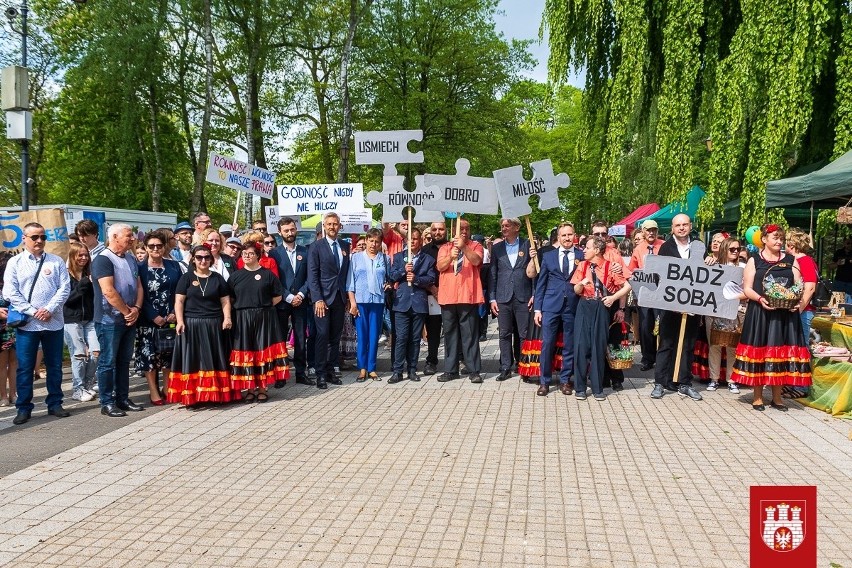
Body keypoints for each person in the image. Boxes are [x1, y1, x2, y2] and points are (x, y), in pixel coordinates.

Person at [731, 224, 812, 410]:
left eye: (781, 238)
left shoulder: (791, 260)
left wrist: (796, 302)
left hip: (784, 314)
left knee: (780, 354)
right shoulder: (754, 261)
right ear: (764, 239)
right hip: (760, 312)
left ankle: (777, 398)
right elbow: (747, 288)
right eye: (775, 237)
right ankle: (758, 397)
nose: (779, 241)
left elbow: (798, 285)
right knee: (760, 352)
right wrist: (760, 298)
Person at [3, 223, 71, 425]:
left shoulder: (56, 261)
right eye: (34, 237)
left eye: (42, 237)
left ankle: (55, 403)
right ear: (24, 238)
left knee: (54, 366)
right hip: (28, 326)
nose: (39, 241)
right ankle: (23, 408)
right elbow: (10, 292)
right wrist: (33, 311)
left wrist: (49, 309)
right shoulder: (15, 263)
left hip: (53, 323)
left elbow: (64, 288)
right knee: (24, 368)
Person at [168, 245, 233, 407]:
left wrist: (227, 318)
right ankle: (194, 397)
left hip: (214, 324)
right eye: (199, 257)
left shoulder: (217, 278)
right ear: (193, 259)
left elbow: (225, 301)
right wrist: (180, 321)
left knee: (213, 360)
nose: (203, 260)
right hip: (192, 324)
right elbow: (179, 301)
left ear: (211, 259)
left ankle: (214, 395)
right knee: (194, 360)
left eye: (206, 257)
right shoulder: (186, 278)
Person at [91, 223, 145, 417]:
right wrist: (126, 311)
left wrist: (136, 309)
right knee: (107, 362)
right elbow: (108, 291)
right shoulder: (103, 260)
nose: (132, 239)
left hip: (129, 319)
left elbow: (139, 286)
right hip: (109, 321)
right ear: (114, 237)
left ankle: (122, 398)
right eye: (128, 235)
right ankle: (107, 402)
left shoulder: (130, 258)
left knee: (123, 361)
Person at [650, 214, 703, 401]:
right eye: (678, 225)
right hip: (669, 305)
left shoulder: (699, 247)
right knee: (666, 344)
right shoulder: (665, 248)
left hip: (693, 306)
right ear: (672, 228)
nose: (681, 228)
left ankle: (684, 383)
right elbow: (658, 276)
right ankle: (660, 382)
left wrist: (711, 262)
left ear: (690, 226)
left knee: (688, 345)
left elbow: (705, 275)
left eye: (684, 225)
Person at [571, 236, 631, 400]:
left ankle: (598, 389)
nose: (584, 250)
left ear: (596, 250)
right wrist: (581, 284)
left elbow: (627, 286)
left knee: (598, 347)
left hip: (601, 307)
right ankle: (580, 388)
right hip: (584, 305)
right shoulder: (582, 266)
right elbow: (576, 290)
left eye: (587, 247)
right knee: (581, 346)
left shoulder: (611, 267)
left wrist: (613, 298)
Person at [229, 242, 289, 402]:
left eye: (250, 253)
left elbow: (278, 295)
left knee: (262, 352)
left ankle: (262, 388)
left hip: (264, 317)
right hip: (242, 318)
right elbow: (230, 298)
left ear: (257, 255)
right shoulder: (235, 276)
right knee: (247, 351)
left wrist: (265, 307)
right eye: (244, 254)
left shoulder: (268, 275)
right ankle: (249, 388)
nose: (246, 256)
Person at [532, 223, 583, 396]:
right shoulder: (549, 256)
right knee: (547, 344)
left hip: (573, 306)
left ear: (574, 236)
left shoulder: (581, 255)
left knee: (570, 345)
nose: (567, 238)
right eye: (564, 235)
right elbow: (541, 284)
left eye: (570, 235)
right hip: (551, 305)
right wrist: (538, 309)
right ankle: (544, 382)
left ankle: (565, 380)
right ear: (558, 238)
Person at [134, 232, 182, 405]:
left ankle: (167, 387)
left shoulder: (174, 266)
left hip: (170, 318)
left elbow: (179, 291)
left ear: (164, 247)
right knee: (149, 356)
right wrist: (153, 316)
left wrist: (175, 313)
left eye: (159, 246)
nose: (156, 249)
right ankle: (153, 390)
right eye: (152, 246)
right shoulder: (139, 268)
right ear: (145, 248)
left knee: (168, 355)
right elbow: (138, 294)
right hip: (148, 320)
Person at [436, 218, 485, 383]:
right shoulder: (445, 247)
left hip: (467, 296)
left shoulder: (476, 246)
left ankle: (473, 370)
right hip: (448, 297)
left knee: (469, 335)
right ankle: (450, 370)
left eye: (467, 228)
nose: (464, 231)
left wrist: (464, 246)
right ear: (453, 229)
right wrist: (451, 257)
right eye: (461, 228)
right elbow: (440, 266)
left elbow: (477, 261)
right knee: (450, 335)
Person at [308, 212, 350, 389]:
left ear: (340, 226)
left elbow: (346, 274)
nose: (332, 227)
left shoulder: (345, 246)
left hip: (339, 298)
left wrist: (348, 296)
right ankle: (320, 373)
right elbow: (313, 275)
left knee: (335, 337)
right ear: (324, 226)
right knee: (322, 335)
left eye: (335, 224)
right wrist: (317, 298)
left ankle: (333, 370)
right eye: (329, 224)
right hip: (322, 300)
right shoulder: (316, 247)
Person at [268, 217, 312, 386]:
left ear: (296, 230)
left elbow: (310, 276)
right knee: (280, 339)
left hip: (301, 301)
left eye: (292, 229)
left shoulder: (305, 251)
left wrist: (301, 294)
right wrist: (288, 296)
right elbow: (273, 279)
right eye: (286, 230)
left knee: (301, 338)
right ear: (280, 233)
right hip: (282, 301)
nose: (290, 233)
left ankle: (301, 373)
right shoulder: (274, 254)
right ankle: (281, 375)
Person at [388, 227, 436, 383]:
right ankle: (397, 371)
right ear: (406, 241)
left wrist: (416, 278)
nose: (413, 241)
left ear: (420, 240)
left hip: (419, 303)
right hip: (401, 303)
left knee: (415, 339)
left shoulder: (428, 259)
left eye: (415, 239)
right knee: (401, 338)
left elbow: (430, 279)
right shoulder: (398, 257)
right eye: (410, 239)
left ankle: (412, 369)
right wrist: (403, 270)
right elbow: (392, 276)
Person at [489, 218, 533, 381]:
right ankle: (505, 366)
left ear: (517, 227)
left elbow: (535, 271)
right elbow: (493, 274)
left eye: (507, 225)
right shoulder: (497, 248)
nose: (503, 228)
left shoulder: (528, 245)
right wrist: (492, 298)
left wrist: (534, 294)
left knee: (523, 334)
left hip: (523, 296)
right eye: (502, 226)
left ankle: (524, 367)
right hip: (503, 297)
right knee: (504, 333)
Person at [346, 229, 390, 381]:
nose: (373, 244)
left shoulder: (385, 258)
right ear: (366, 241)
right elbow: (350, 283)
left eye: (377, 241)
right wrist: (353, 303)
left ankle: (372, 367)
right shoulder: (356, 258)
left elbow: (388, 279)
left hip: (377, 301)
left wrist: (388, 285)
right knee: (362, 336)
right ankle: (362, 368)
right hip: (361, 301)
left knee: (374, 336)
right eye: (371, 241)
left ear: (380, 243)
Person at [705, 237, 745, 394]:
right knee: (714, 345)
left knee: (732, 346)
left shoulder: (743, 267)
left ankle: (732, 380)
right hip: (715, 310)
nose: (735, 252)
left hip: (737, 310)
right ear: (724, 249)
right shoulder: (714, 265)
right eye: (732, 249)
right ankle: (713, 379)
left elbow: (747, 288)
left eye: (738, 249)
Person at [628, 220, 665, 371]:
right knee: (645, 326)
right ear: (643, 231)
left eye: (654, 230)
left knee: (662, 325)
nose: (651, 233)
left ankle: (662, 358)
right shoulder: (638, 249)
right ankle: (647, 358)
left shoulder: (664, 245)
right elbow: (632, 270)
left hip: (662, 293)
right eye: (648, 230)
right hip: (644, 293)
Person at [63, 241, 98, 402]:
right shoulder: (65, 275)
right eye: (80, 255)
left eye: (86, 255)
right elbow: (66, 301)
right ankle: (78, 389)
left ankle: (88, 384)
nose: (84, 258)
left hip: (89, 319)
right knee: (78, 355)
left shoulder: (89, 274)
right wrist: (83, 285)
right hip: (71, 319)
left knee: (96, 352)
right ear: (72, 256)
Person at [421, 221, 447, 375]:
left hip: (451, 296)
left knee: (452, 330)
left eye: (441, 229)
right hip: (432, 296)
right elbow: (421, 273)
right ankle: (431, 361)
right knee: (433, 331)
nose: (438, 232)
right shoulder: (424, 251)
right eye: (434, 229)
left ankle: (456, 360)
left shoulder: (452, 248)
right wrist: (434, 290)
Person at [0, 253, 18, 407]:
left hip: (15, 327)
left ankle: (13, 393)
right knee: (2, 364)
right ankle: (3, 396)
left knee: (14, 363)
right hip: (1, 330)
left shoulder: (14, 283)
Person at [829, 237, 852, 303]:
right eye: (848, 243)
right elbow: (830, 266)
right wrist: (838, 263)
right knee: (836, 301)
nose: (850, 245)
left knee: (849, 303)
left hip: (850, 282)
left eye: (851, 243)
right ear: (844, 243)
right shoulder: (839, 252)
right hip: (839, 281)